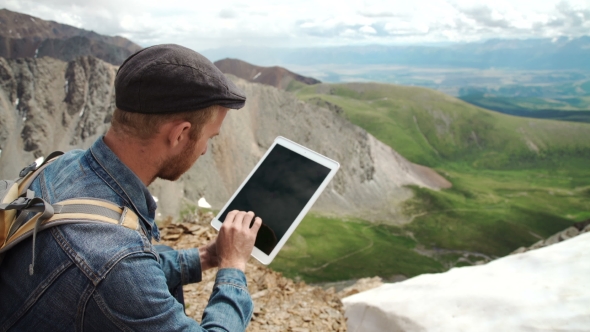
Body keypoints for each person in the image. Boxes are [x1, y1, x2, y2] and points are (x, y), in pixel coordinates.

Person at [0, 44, 262, 331]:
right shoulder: (116, 262)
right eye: (209, 137)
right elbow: (116, 271)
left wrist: (207, 256)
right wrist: (233, 266)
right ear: (180, 134)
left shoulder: (62, 165)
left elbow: (120, 273)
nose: (203, 151)